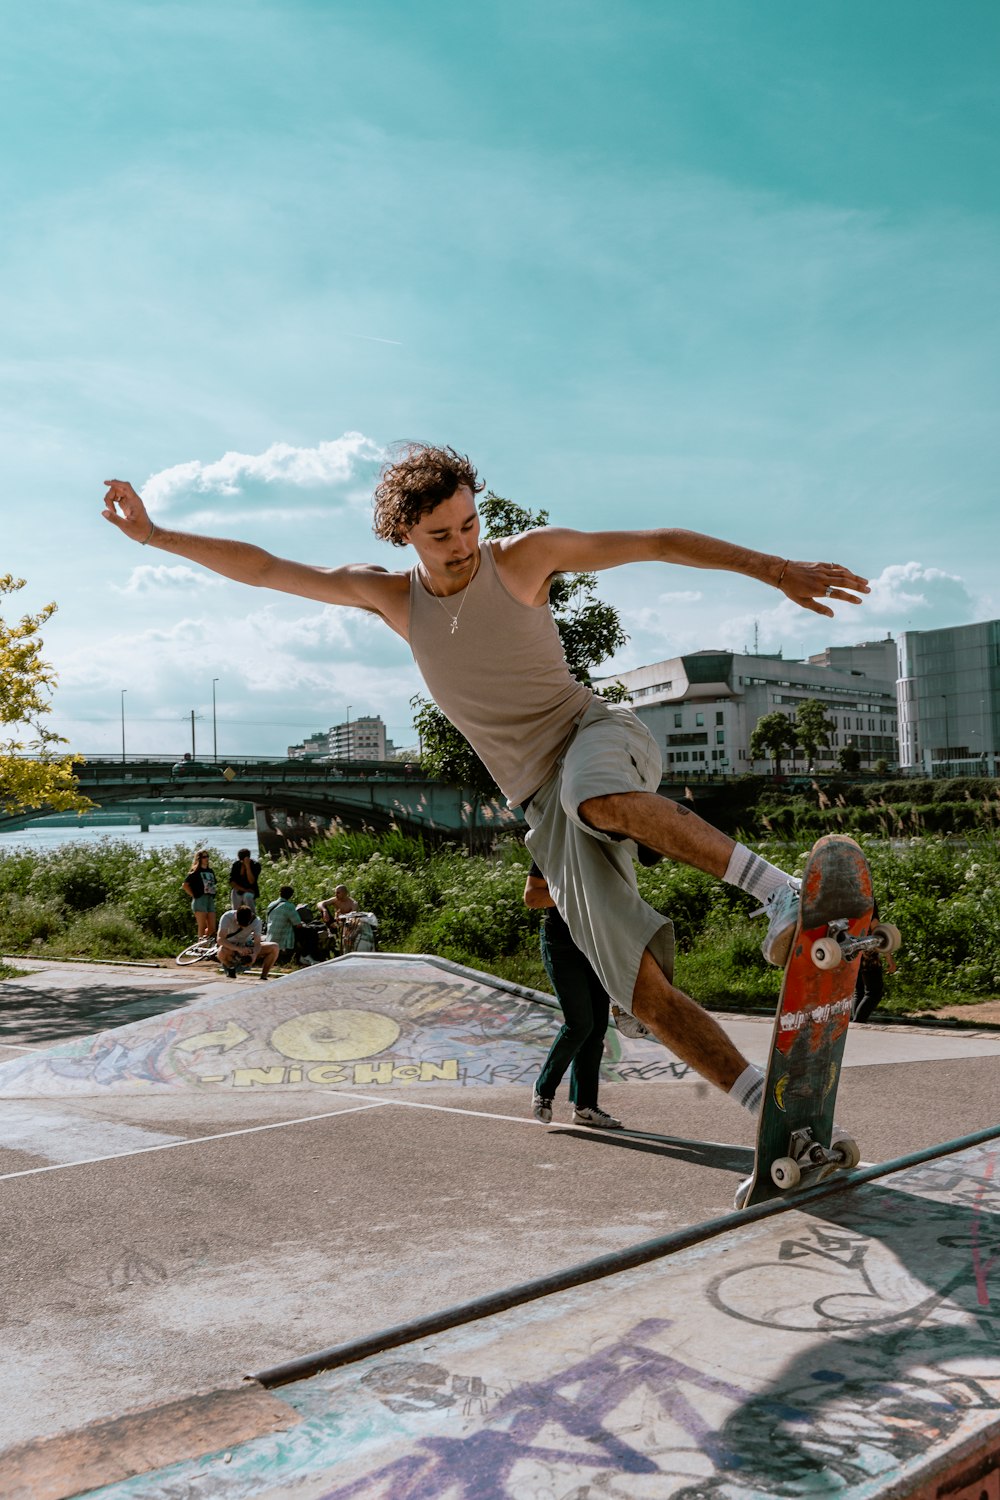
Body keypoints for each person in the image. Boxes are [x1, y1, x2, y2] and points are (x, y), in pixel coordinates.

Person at [102, 448, 869, 1118]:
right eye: (441, 535)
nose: (462, 544)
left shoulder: (522, 560)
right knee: (635, 992)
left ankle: (779, 893)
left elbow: (655, 541)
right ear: (406, 535)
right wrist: (155, 536)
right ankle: (771, 1107)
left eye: (469, 525)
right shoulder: (391, 598)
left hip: (595, 738)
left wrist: (773, 568)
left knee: (590, 791)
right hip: (545, 806)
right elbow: (267, 569)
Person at [525, 862, 622, 1130]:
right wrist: (573, 897)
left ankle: (585, 1107)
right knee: (580, 1024)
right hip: (562, 945)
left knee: (597, 1028)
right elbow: (532, 897)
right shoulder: (552, 849)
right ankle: (543, 1089)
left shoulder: (602, 850)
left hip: (596, 945)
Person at [216, 904, 279, 980]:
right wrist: (238, 949)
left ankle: (264, 976)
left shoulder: (256, 921)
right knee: (221, 951)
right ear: (235, 916)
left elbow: (257, 943)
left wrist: (254, 954)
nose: (241, 927)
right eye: (239, 924)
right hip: (230, 946)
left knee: (274, 947)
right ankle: (230, 968)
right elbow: (220, 939)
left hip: (246, 944)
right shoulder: (227, 917)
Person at [265, 884, 317, 966]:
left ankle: (303, 955)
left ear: (280, 893)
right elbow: (298, 924)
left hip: (271, 934)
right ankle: (305, 955)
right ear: (291, 896)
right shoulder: (289, 906)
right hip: (282, 936)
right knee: (310, 932)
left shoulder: (271, 904)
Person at [181, 850, 218, 942]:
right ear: (199, 859)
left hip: (210, 898)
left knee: (212, 928)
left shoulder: (210, 871)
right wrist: (193, 895)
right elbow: (185, 885)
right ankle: (200, 944)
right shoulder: (196, 872)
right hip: (200, 899)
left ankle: (209, 943)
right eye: (204, 857)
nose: (206, 859)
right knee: (202, 926)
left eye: (207, 857)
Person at [229, 847, 262, 912]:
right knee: (235, 893)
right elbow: (232, 882)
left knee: (248, 896)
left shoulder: (255, 865)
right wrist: (244, 890)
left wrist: (247, 866)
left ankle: (251, 916)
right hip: (238, 889)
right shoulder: (236, 865)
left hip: (250, 890)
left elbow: (251, 881)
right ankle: (236, 916)